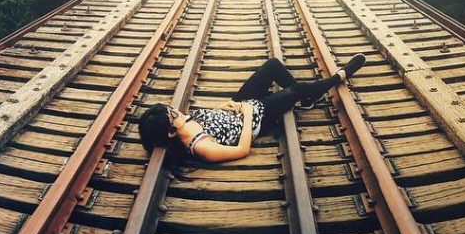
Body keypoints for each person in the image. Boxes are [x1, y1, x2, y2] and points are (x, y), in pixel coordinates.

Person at [138, 53, 367, 164]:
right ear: (170, 132)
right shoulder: (201, 147)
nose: (177, 112)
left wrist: (225, 105)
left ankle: (310, 95)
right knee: (293, 91)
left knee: (272, 65)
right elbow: (242, 150)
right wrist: (247, 115)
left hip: (237, 105)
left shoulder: (185, 123)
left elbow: (210, 116)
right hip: (256, 118)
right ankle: (338, 77)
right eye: (173, 115)